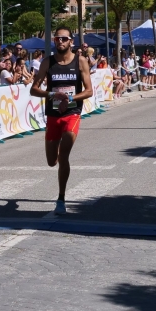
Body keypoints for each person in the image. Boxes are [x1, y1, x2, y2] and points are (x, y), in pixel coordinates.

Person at [31, 27, 93, 215]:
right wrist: (51, 94)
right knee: (52, 161)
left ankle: (61, 198)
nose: (60, 42)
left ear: (71, 42)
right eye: (57, 38)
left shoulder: (80, 61)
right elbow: (33, 89)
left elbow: (89, 91)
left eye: (64, 39)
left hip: (72, 113)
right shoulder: (47, 63)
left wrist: (71, 99)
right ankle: (58, 160)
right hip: (53, 115)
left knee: (64, 155)